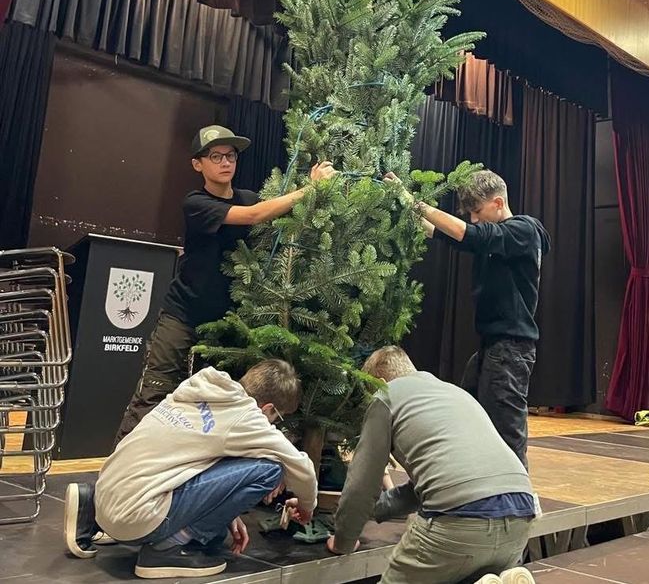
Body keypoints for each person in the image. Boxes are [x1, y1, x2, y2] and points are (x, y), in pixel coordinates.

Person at [115, 124, 336, 443]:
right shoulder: (196, 203)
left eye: (230, 155)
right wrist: (310, 188)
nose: (225, 162)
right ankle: (117, 473)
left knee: (215, 403)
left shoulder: (248, 198)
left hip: (228, 322)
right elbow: (253, 216)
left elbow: (279, 216)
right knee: (153, 393)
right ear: (197, 164)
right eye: (215, 155)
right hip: (183, 314)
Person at [64, 359, 317, 579]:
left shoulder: (202, 386)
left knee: (216, 536)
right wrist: (307, 507)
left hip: (107, 497)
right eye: (278, 417)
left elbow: (192, 459)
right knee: (270, 469)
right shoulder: (247, 417)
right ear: (269, 409)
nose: (274, 423)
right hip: (134, 518)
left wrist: (227, 512)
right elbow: (302, 467)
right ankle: (168, 550)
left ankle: (89, 507)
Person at [328, 346, 536, 584]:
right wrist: (377, 511)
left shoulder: (386, 394)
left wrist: (343, 539)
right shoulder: (454, 393)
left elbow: (361, 485)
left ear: (380, 380)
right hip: (521, 513)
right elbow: (429, 486)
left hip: (458, 522)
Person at [386, 170, 550, 468]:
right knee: (469, 414)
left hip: (511, 349)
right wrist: (401, 203)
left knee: (507, 430)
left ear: (498, 203)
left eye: (478, 211)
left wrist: (415, 201)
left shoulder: (523, 231)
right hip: (493, 347)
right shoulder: (497, 239)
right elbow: (446, 234)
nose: (474, 219)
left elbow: (467, 232)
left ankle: (518, 499)